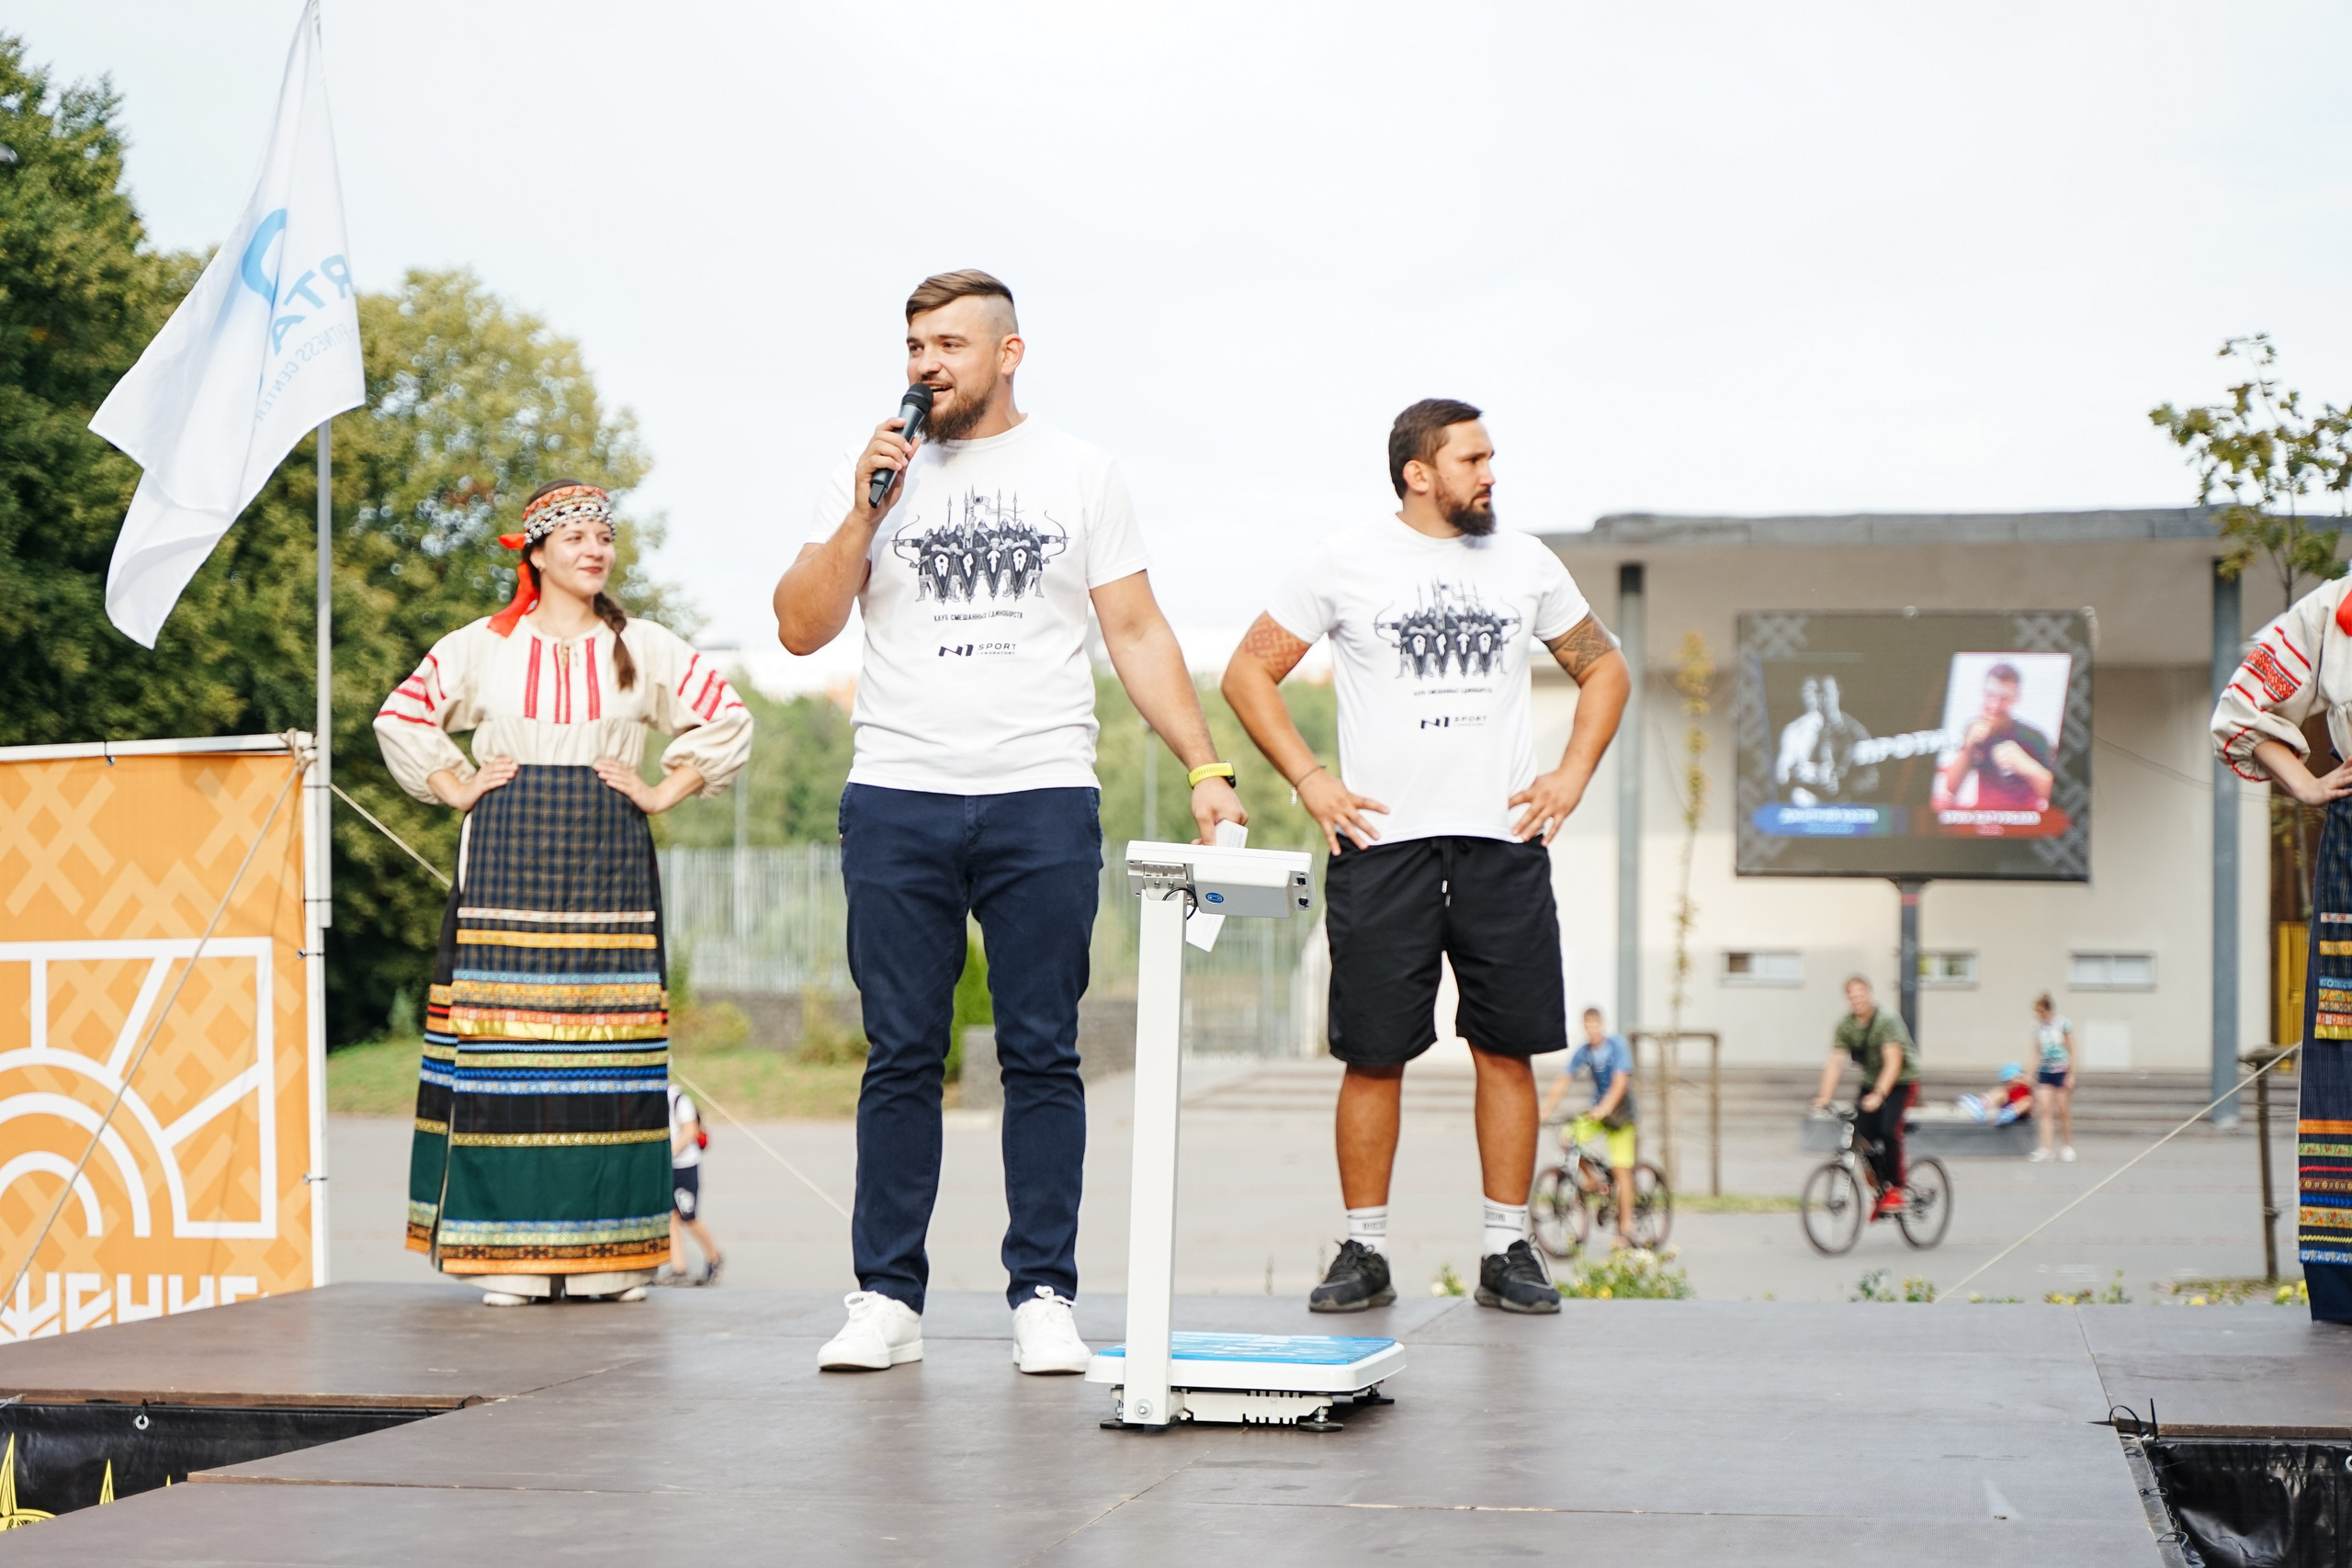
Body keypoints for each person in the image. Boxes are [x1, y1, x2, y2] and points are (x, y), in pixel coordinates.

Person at [775, 271, 1245, 1373]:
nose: (924, 363)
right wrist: (861, 511)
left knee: (1041, 1051)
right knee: (901, 1051)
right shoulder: (866, 474)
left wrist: (1204, 763)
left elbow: (1133, 629)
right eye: (912, 345)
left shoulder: (1080, 473)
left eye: (947, 343)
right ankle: (886, 1298)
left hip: (1040, 791)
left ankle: (1042, 1292)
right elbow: (800, 629)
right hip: (899, 790)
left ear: (1009, 352)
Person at [1221, 398, 1629, 1316]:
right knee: (1373, 1055)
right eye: (1473, 459)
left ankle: (1506, 1247)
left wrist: (1568, 774)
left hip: (1502, 842)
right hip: (1382, 844)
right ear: (1419, 471)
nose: (1491, 473)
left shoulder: (1526, 562)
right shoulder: (1343, 562)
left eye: (1491, 458)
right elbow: (1248, 670)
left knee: (1506, 1049)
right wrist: (1310, 778)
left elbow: (1605, 668)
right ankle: (1363, 1252)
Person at [375, 479, 751, 1306]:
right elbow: (401, 716)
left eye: (603, 537)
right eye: (575, 535)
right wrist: (456, 782)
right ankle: (504, 1258)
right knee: (508, 1045)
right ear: (535, 552)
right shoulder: (483, 645)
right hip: (506, 852)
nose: (594, 549)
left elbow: (725, 717)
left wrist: (661, 791)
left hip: (608, 854)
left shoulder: (644, 646)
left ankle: (611, 1257)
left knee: (607, 1051)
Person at [2213, 579, 2352, 1323]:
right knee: (2346, 1047)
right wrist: (2303, 781)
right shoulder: (2336, 608)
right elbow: (2242, 707)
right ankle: (2345, 1277)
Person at [1810, 976, 1918, 1217]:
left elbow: (1893, 1062)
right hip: (1871, 1082)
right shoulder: (1846, 1025)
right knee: (1861, 1136)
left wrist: (1879, 1095)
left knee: (1889, 1130)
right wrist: (1824, 1097)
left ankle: (1896, 1189)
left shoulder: (1886, 1020)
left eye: (1861, 994)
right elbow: (1835, 1061)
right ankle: (1881, 1187)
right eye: (1851, 995)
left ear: (1869, 994)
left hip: (1900, 1081)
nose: (1856, 999)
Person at [1540, 1009, 1640, 1248]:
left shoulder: (1617, 1046)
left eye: (1595, 1025)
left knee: (1621, 1170)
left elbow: (1620, 1080)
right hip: (1597, 1111)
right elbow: (1564, 1078)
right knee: (1568, 1138)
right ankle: (1593, 1182)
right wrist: (1545, 1110)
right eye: (1588, 1026)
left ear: (1602, 1024)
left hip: (1620, 1114)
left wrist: (1605, 1107)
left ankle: (1625, 1228)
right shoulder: (1585, 1051)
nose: (1592, 1030)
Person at [1937, 661, 2053, 811]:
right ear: (1983, 693)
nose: (1994, 705)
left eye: (2004, 698)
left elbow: (2054, 795)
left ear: (2016, 698)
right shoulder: (1973, 729)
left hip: (2022, 823)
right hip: (1983, 820)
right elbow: (1951, 788)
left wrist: (2026, 766)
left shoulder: (2034, 736)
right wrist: (1968, 747)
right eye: (1990, 695)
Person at [663, 1082, 724, 1285]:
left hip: (685, 1165)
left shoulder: (679, 1098)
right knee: (671, 1215)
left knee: (689, 1216)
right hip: (667, 1167)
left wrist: (668, 1153)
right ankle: (679, 1269)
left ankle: (714, 1257)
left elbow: (690, 1131)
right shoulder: (652, 1097)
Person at [2028, 994, 2075, 1162]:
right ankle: (2046, 1148)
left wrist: (2071, 1074)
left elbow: (2072, 1051)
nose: (2038, 1015)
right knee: (2045, 1110)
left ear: (2048, 1010)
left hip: (2061, 1070)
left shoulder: (2063, 1024)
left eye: (2041, 1011)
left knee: (2062, 1110)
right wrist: (2029, 1074)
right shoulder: (2038, 1028)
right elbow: (2036, 1052)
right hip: (2045, 1071)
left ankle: (2067, 1145)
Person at [1957, 1064, 2031, 1126]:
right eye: (2008, 1082)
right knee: (2000, 1092)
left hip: (2022, 1113)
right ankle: (1981, 1105)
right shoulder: (2006, 1091)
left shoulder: (2026, 1088)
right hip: (2005, 1112)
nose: (2011, 1084)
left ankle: (2009, 1113)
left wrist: (2026, 1080)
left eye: (2014, 1079)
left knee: (2028, 1100)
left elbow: (2034, 1086)